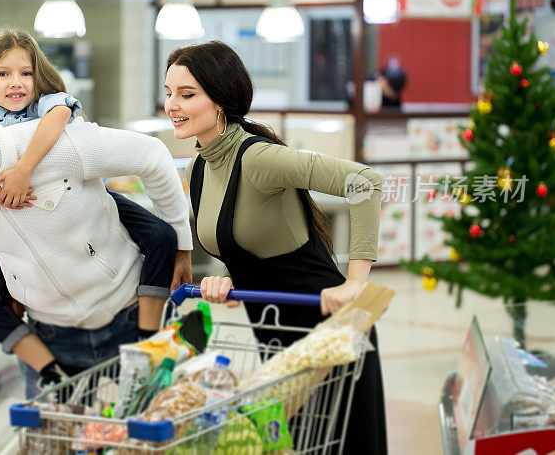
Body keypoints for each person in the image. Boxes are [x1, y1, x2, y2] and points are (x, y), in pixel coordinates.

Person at [0, 74, 192, 397]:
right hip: (52, 339)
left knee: (155, 436)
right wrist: (3, 289)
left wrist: (181, 245)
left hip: (131, 316)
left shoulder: (57, 147)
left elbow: (153, 155)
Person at [163, 41, 387, 455]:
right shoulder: (198, 169)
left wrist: (355, 282)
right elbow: (255, 245)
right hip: (275, 339)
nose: (172, 104)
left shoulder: (259, 158)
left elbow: (365, 183)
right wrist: (228, 280)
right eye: (169, 92)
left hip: (329, 336)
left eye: (187, 94)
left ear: (222, 100)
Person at [0, 29, 188, 364]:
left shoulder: (46, 103)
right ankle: (46, 368)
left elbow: (60, 114)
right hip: (19, 226)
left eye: (26, 74)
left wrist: (24, 170)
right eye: (3, 74)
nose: (16, 83)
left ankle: (148, 337)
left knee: (161, 236)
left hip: (81, 199)